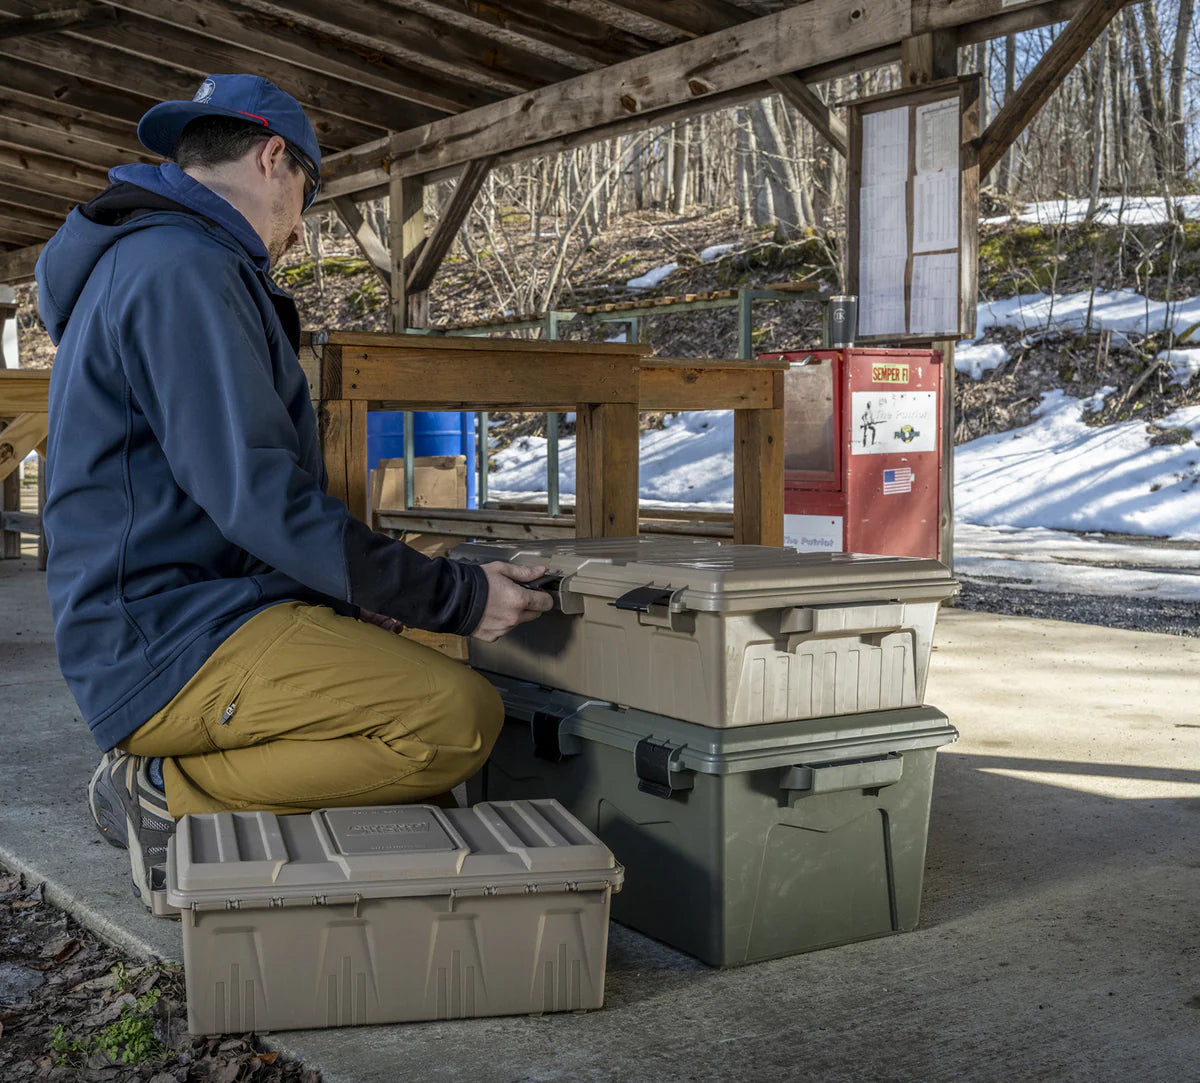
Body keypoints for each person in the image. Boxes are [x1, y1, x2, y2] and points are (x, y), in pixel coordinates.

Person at [36, 74, 553, 910]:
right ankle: (165, 791)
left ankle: (192, 780)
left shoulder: (166, 260)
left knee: (415, 739)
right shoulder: (180, 270)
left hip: (194, 608)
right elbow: (257, 494)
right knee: (453, 719)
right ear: (273, 157)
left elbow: (224, 497)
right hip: (167, 635)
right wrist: (450, 596)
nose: (298, 225)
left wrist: (365, 598)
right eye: (304, 195)